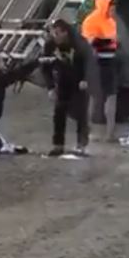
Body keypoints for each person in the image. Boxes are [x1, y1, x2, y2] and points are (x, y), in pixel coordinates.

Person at [42, 19, 90, 156]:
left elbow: (90, 62)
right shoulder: (50, 45)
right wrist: (50, 87)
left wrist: (86, 79)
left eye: (57, 33)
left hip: (80, 81)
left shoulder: (79, 43)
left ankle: (81, 145)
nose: (55, 36)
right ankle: (58, 145)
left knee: (81, 114)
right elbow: (45, 67)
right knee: (59, 112)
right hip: (62, 81)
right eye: (53, 33)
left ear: (65, 32)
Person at [81, 0, 121, 143]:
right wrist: (110, 42)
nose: (113, 12)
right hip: (96, 64)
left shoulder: (110, 22)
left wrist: (111, 43)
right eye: (111, 9)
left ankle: (110, 133)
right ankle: (88, 131)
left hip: (110, 62)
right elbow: (89, 43)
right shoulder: (91, 21)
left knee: (111, 97)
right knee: (93, 98)